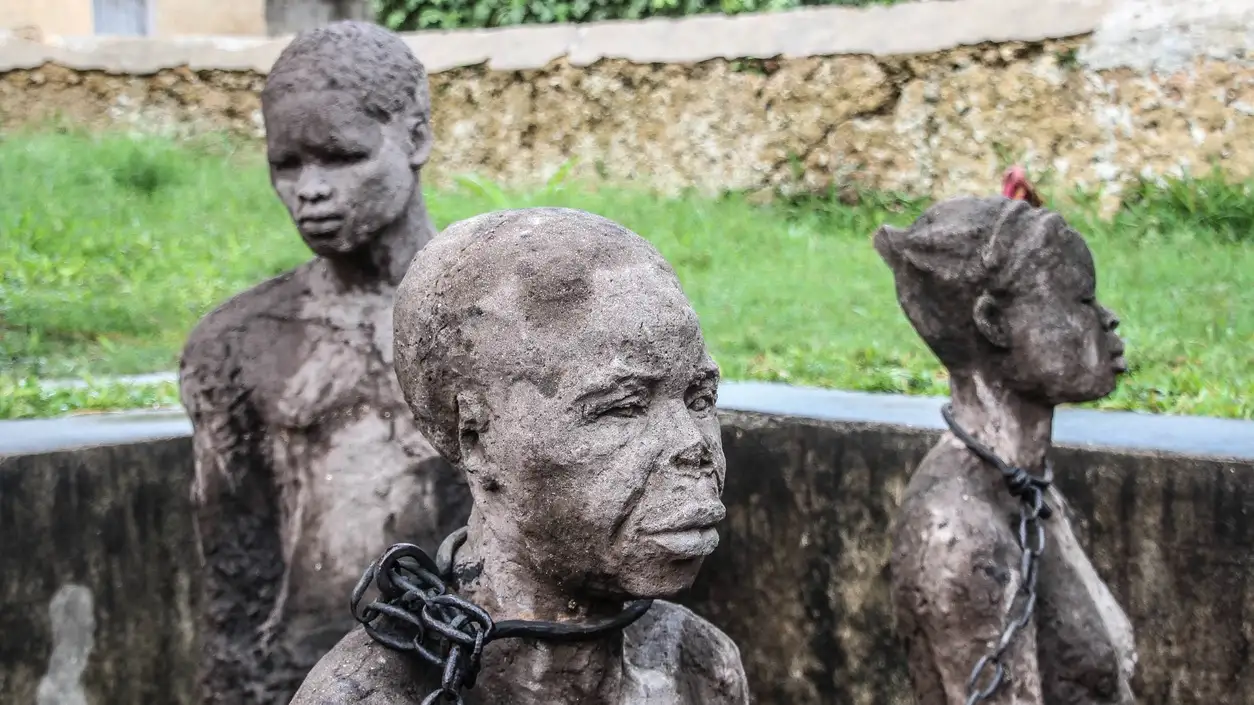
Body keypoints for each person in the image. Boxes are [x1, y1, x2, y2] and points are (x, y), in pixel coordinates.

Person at [288, 207, 751, 704]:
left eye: (699, 399)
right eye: (623, 407)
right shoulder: (365, 695)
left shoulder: (699, 668)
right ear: (477, 440)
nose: (692, 446)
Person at [178, 21, 469, 704]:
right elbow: (237, 576)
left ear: (416, 138)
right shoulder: (237, 344)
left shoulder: (490, 315)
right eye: (288, 164)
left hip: (475, 659)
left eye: (341, 157)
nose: (309, 190)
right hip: (306, 671)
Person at [876, 196, 1137, 704]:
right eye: (1080, 301)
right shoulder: (960, 533)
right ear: (994, 321)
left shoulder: (1029, 488)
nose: (1107, 319)